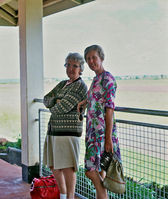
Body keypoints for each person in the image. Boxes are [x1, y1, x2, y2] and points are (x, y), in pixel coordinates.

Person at [77, 45, 121, 199]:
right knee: (99, 171)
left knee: (90, 171)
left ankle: (103, 195)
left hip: (101, 134)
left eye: (94, 57)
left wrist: (108, 138)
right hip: (92, 132)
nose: (91, 61)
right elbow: (95, 100)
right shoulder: (96, 79)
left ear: (101, 58)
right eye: (88, 59)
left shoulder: (108, 78)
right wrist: (84, 102)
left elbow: (109, 109)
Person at [43, 52, 88, 199]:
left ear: (81, 69)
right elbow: (46, 99)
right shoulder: (63, 84)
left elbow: (59, 109)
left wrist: (56, 102)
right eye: (68, 65)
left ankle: (69, 197)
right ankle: (62, 195)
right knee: (54, 165)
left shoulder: (80, 86)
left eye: (75, 66)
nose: (71, 68)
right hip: (54, 131)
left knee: (68, 167)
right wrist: (56, 101)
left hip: (69, 133)